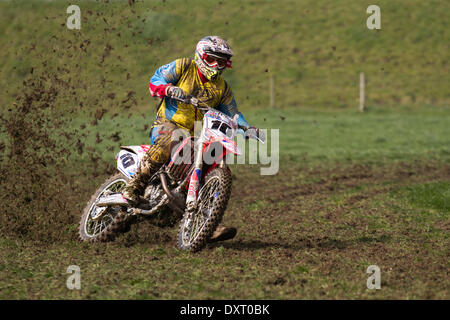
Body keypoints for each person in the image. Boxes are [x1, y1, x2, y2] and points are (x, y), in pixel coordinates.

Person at [123, 36, 259, 242]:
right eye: (212, 60)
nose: (217, 66)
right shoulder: (184, 66)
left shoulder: (223, 88)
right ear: (201, 56)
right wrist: (168, 88)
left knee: (214, 164)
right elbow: (155, 79)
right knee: (169, 139)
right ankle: (134, 186)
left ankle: (207, 221)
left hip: (199, 134)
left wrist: (248, 128)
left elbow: (234, 114)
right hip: (169, 125)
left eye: (222, 62)